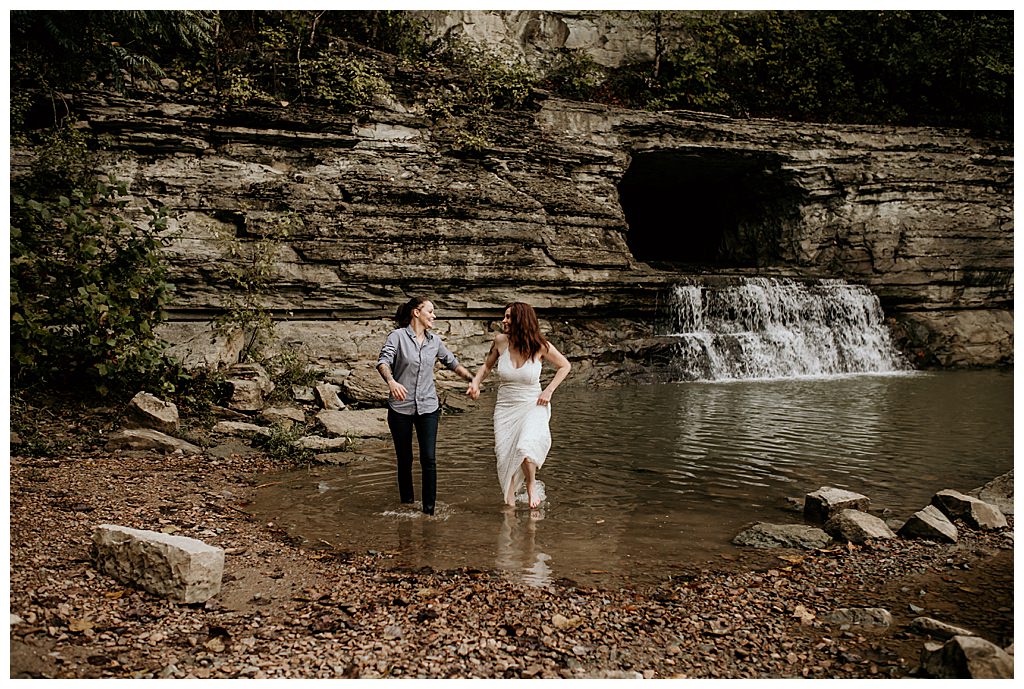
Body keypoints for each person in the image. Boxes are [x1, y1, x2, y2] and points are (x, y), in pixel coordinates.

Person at [467, 302, 571, 509]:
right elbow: (487, 366)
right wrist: (476, 383)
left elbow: (565, 366)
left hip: (533, 403)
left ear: (521, 320)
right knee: (505, 454)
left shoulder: (540, 345)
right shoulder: (500, 342)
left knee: (524, 446)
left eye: (508, 317)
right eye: (504, 316)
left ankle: (531, 483)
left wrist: (548, 390)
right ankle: (509, 505)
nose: (503, 321)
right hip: (506, 406)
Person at [377, 296, 475, 515]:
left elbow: (453, 364)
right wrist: (392, 382)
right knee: (405, 459)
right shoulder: (398, 337)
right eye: (430, 311)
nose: (434, 315)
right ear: (416, 312)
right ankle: (407, 504)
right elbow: (383, 361)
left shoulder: (435, 341)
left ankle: (428, 511)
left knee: (429, 459)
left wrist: (473, 380)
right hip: (400, 408)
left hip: (429, 407)